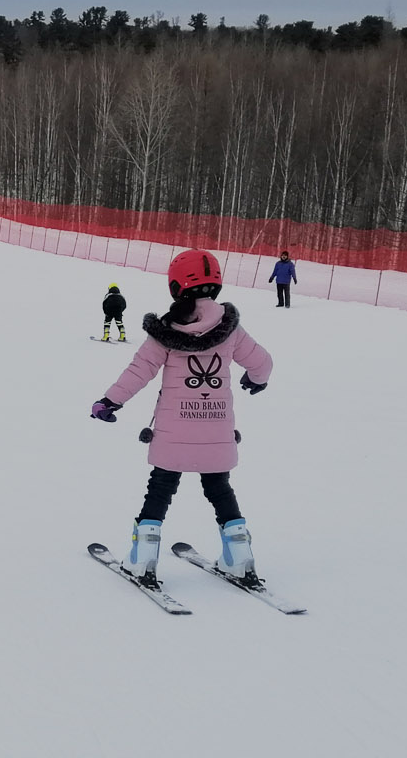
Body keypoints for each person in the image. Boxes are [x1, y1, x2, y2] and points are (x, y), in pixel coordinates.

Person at [91, 249, 274, 589]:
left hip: (173, 433)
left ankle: (143, 558)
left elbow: (139, 371)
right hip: (217, 431)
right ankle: (239, 554)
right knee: (219, 488)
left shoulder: (166, 331)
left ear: (176, 286)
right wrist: (257, 379)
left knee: (160, 488)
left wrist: (110, 401)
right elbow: (262, 361)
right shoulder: (231, 329)